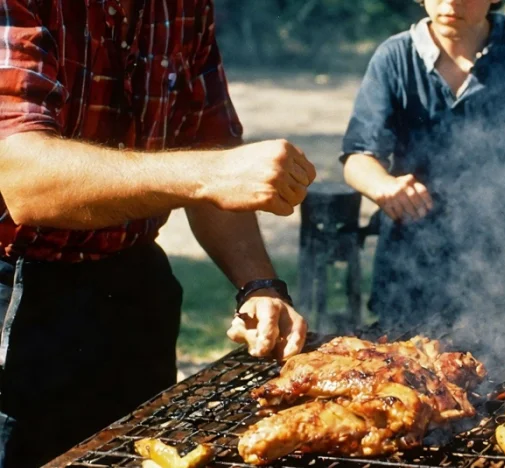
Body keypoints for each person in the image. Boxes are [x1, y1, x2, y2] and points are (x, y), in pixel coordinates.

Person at [0, 1, 316, 466]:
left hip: (133, 288)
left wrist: (259, 285)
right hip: (19, 291)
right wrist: (208, 173)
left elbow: (211, 150)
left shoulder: (185, 7)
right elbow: (24, 179)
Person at [340, 0, 505, 339]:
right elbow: (358, 157)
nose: (450, 2)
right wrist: (382, 185)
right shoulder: (394, 58)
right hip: (411, 276)